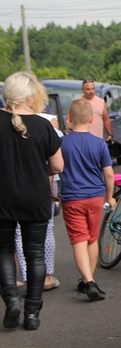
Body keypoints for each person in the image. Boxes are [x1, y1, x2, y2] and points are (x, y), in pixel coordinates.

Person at [0, 72, 64, 330]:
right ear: (30, 95)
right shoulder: (43, 125)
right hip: (36, 197)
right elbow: (58, 165)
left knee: (4, 250)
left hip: (2, 197)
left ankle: (11, 298)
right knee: (34, 254)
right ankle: (32, 313)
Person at [59, 98, 116, 301]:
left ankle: (89, 281)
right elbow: (109, 174)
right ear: (92, 118)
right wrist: (110, 196)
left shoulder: (62, 143)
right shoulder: (99, 143)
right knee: (92, 239)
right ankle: (87, 280)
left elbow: (54, 168)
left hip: (72, 198)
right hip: (95, 197)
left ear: (69, 118)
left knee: (78, 241)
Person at [13, 84, 64, 291]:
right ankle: (45, 277)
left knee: (17, 234)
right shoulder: (48, 122)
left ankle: (24, 278)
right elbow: (57, 165)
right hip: (41, 185)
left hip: (13, 185)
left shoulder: (8, 121)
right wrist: (50, 183)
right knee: (45, 232)